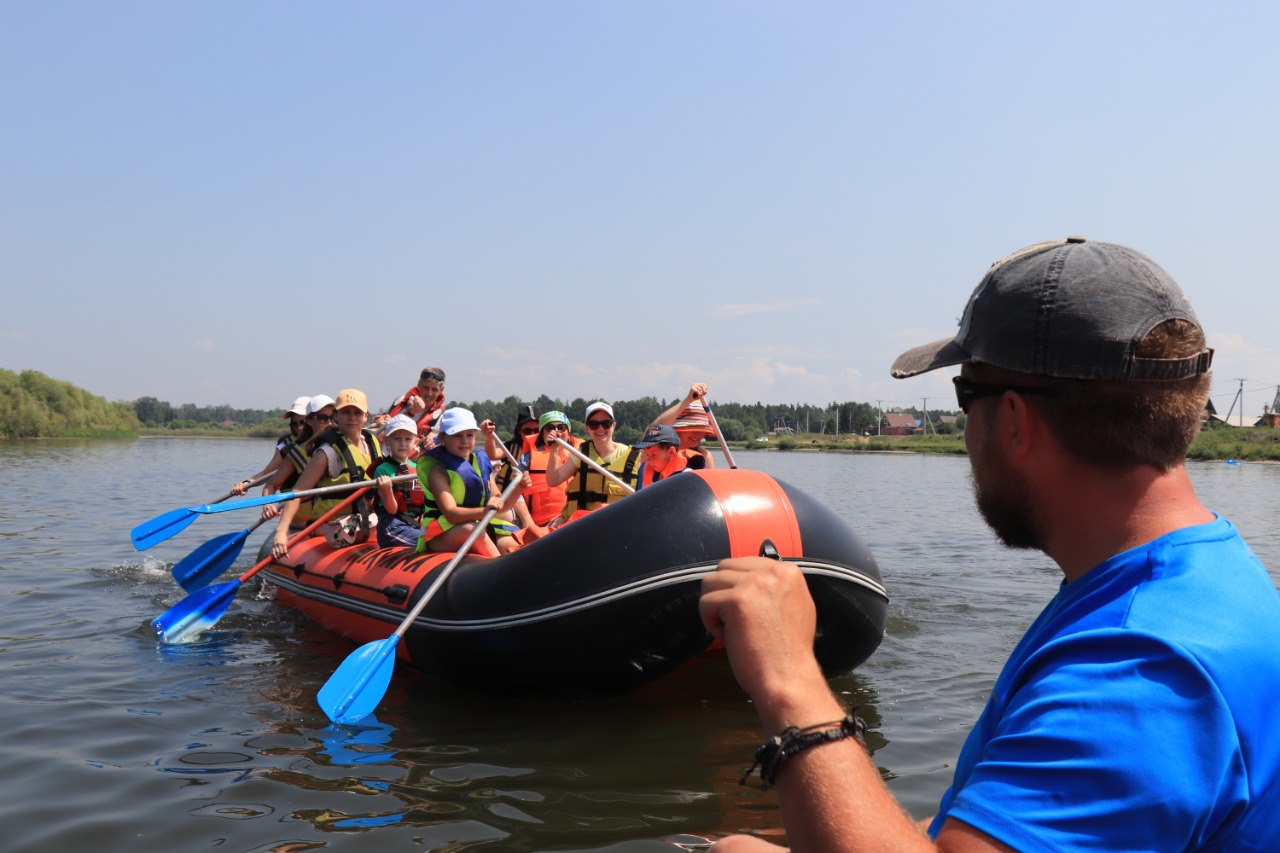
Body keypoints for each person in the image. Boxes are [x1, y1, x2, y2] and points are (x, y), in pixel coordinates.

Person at [700, 237, 1280, 850]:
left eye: (964, 395)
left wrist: (789, 679)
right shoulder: (1200, 576)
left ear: (1012, 420)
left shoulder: (1140, 670)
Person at [271, 389, 381, 558]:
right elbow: (298, 493)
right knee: (385, 525)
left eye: (357, 413)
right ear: (336, 416)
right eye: (346, 412)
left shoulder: (372, 442)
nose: (352, 417)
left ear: (366, 417)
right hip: (337, 526)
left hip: (366, 517)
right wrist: (280, 532)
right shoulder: (327, 452)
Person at [417, 408, 530, 557]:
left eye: (469, 435)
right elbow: (451, 514)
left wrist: (519, 488)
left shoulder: (480, 464)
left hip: (478, 525)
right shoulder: (437, 471)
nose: (465, 441)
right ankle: (499, 572)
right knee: (471, 529)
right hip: (440, 534)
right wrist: (483, 512)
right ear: (443, 438)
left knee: (513, 543)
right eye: (457, 436)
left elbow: (501, 506)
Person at [546, 402, 641, 522]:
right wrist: (554, 450)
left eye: (606, 424)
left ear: (613, 425)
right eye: (594, 424)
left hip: (617, 524)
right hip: (582, 525)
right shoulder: (581, 454)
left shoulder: (634, 457)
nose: (600, 429)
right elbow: (553, 480)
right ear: (587, 427)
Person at [259, 394, 336, 526]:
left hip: (337, 518)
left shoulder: (347, 444)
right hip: (307, 523)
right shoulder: (298, 452)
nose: (329, 423)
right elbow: (270, 485)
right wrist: (268, 504)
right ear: (310, 421)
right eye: (323, 419)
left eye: (333, 418)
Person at [231, 395, 310, 495]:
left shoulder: (323, 441)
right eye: (294, 424)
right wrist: (245, 484)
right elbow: (266, 474)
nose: (299, 428)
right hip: (290, 500)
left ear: (312, 420)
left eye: (303, 422)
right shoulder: (285, 444)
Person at [370, 414, 426, 548]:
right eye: (397, 439)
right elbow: (392, 509)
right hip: (392, 527)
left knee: (443, 536)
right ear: (387, 441)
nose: (403, 444)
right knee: (433, 541)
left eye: (408, 439)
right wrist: (386, 489)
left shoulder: (418, 468)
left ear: (415, 442)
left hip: (414, 525)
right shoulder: (382, 470)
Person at [373, 366, 447, 450]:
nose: (429, 394)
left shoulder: (441, 417)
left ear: (441, 390)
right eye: (426, 388)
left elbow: (429, 444)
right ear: (419, 385)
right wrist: (380, 422)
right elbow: (379, 434)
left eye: (434, 390)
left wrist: (411, 413)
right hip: (380, 456)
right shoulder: (400, 401)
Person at [649, 382, 715, 469]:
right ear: (677, 430)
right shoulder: (655, 455)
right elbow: (653, 430)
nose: (698, 435)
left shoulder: (705, 457)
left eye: (702, 430)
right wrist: (688, 399)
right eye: (693, 429)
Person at [633, 424, 688, 488]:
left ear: (671, 452)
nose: (650, 461)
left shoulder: (687, 477)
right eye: (648, 455)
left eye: (654, 455)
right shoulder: (643, 470)